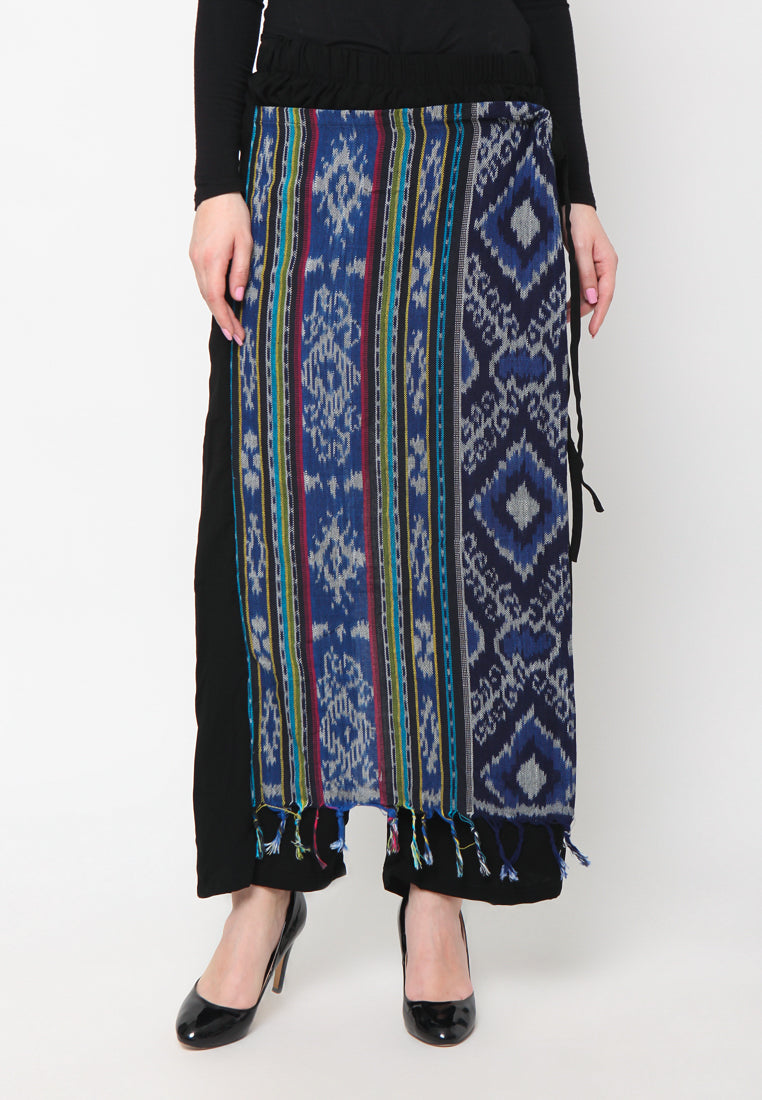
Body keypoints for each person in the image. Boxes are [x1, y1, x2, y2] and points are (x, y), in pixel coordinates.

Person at [177, 0, 618, 1049]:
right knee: (275, 516)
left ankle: (437, 889)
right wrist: (214, 179)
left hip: (492, 140)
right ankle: (266, 888)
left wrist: (578, 188)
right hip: (306, 123)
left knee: (468, 537)